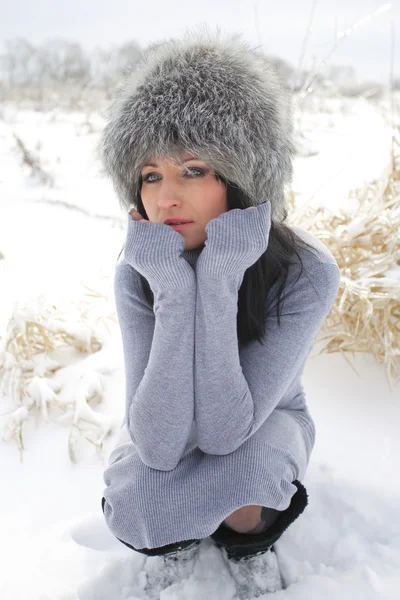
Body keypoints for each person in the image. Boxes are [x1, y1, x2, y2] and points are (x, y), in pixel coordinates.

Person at [99, 26, 341, 598]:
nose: (166, 198)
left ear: (241, 176)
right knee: (141, 477)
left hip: (265, 422)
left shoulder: (306, 269)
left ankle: (248, 541)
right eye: (150, 175)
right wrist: (175, 291)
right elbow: (160, 442)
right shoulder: (141, 268)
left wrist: (221, 277)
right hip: (167, 424)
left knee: (245, 473)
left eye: (193, 169)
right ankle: (175, 541)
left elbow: (226, 431)